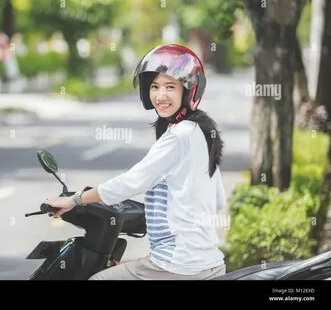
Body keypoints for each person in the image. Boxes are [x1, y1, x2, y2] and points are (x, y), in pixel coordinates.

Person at [46, 43, 227, 280]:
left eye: (170, 87)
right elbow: (218, 200)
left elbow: (131, 182)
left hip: (177, 265)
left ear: (188, 91)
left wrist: (75, 200)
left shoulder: (179, 136)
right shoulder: (201, 132)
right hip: (209, 262)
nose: (160, 96)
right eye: (155, 86)